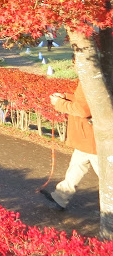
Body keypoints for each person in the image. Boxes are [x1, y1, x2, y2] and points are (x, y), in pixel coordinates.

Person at [41, 79, 96, 210]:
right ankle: (60, 196)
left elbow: (83, 110)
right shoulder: (97, 75)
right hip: (87, 136)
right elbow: (85, 102)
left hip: (93, 137)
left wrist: (60, 103)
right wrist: (66, 97)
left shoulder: (90, 78)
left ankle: (61, 196)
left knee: (107, 174)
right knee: (77, 165)